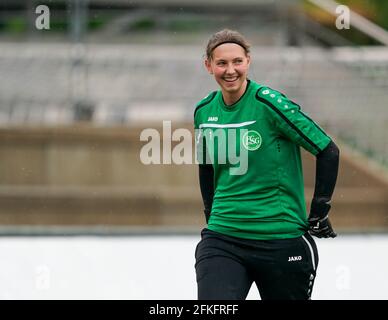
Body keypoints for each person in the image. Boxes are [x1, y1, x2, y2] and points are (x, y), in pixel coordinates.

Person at [193, 29, 340, 300]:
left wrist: (319, 212)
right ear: (208, 65)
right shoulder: (204, 110)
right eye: (221, 63)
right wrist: (212, 216)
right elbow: (206, 167)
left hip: (281, 241)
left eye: (237, 61)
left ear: (248, 61)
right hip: (223, 239)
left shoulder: (269, 104)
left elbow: (327, 150)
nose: (230, 70)